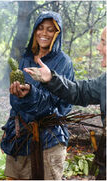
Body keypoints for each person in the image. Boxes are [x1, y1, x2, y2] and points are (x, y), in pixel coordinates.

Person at [24, 27, 106, 180]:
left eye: (104, 43)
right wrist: (51, 78)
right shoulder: (105, 81)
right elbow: (80, 91)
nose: (98, 47)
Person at [1, 11, 74, 180]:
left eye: (50, 29)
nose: (44, 33)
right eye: (40, 28)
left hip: (50, 138)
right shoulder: (26, 59)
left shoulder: (63, 62)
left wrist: (31, 94)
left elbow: (59, 104)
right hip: (21, 136)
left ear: (57, 33)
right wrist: (9, 127)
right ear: (35, 30)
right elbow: (15, 101)